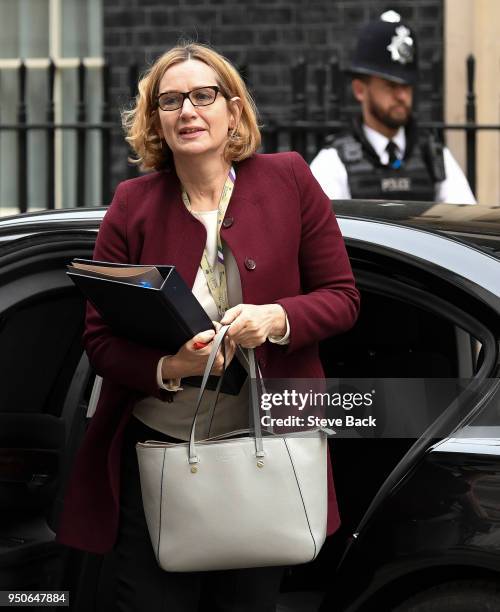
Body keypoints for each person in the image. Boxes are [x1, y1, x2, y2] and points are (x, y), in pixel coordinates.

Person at [56, 43, 360, 611]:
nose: (187, 111)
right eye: (170, 101)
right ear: (156, 121)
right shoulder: (131, 204)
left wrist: (277, 318)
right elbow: (99, 341)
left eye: (203, 95)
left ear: (235, 111)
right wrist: (173, 366)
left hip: (266, 453)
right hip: (164, 457)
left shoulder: (289, 180)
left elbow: (342, 298)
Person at [310, 13, 476, 204]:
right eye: (390, 85)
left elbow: (461, 217)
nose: (402, 96)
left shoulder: (433, 154)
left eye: (407, 86)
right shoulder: (333, 162)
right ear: (360, 90)